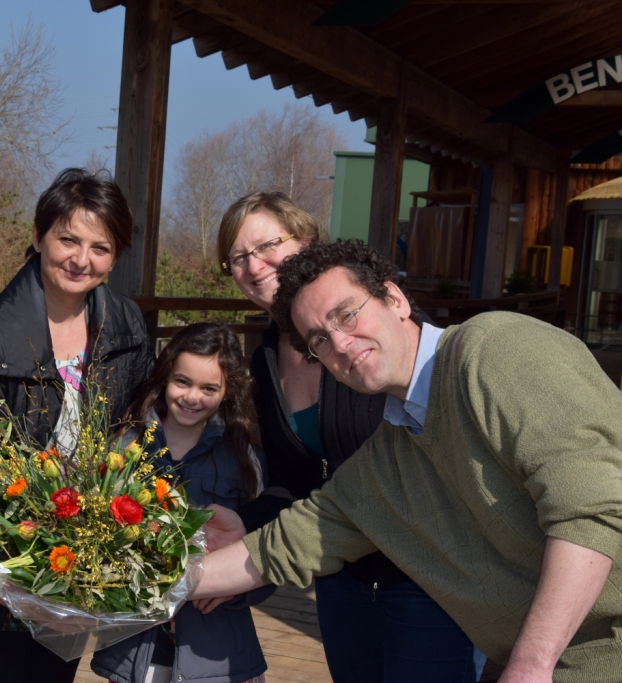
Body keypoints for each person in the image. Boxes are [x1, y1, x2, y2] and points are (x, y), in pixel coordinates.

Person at [194, 239, 622, 682]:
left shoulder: (495, 348)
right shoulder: (394, 448)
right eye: (319, 339)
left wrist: (531, 663)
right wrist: (163, 583)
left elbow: (590, 509)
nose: (340, 343)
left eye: (347, 314)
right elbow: (293, 541)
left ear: (395, 298)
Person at [210, 192, 483, 681]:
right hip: (340, 574)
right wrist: (244, 522)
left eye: (267, 245)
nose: (253, 265)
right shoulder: (266, 360)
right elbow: (297, 481)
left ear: (307, 240)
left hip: (426, 570)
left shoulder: (370, 335)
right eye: (237, 258)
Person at [0, 168, 154, 683]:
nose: (81, 259)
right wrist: (26, 532)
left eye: (101, 248)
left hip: (77, 556)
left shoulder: (125, 326)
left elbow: (137, 426)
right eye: (68, 240)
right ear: (38, 237)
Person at [90, 323, 272, 683]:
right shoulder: (125, 445)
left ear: (227, 391)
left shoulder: (244, 456)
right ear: (165, 377)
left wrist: (234, 588)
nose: (192, 397)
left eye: (209, 389)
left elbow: (270, 549)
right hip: (134, 648)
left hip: (216, 652)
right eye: (182, 382)